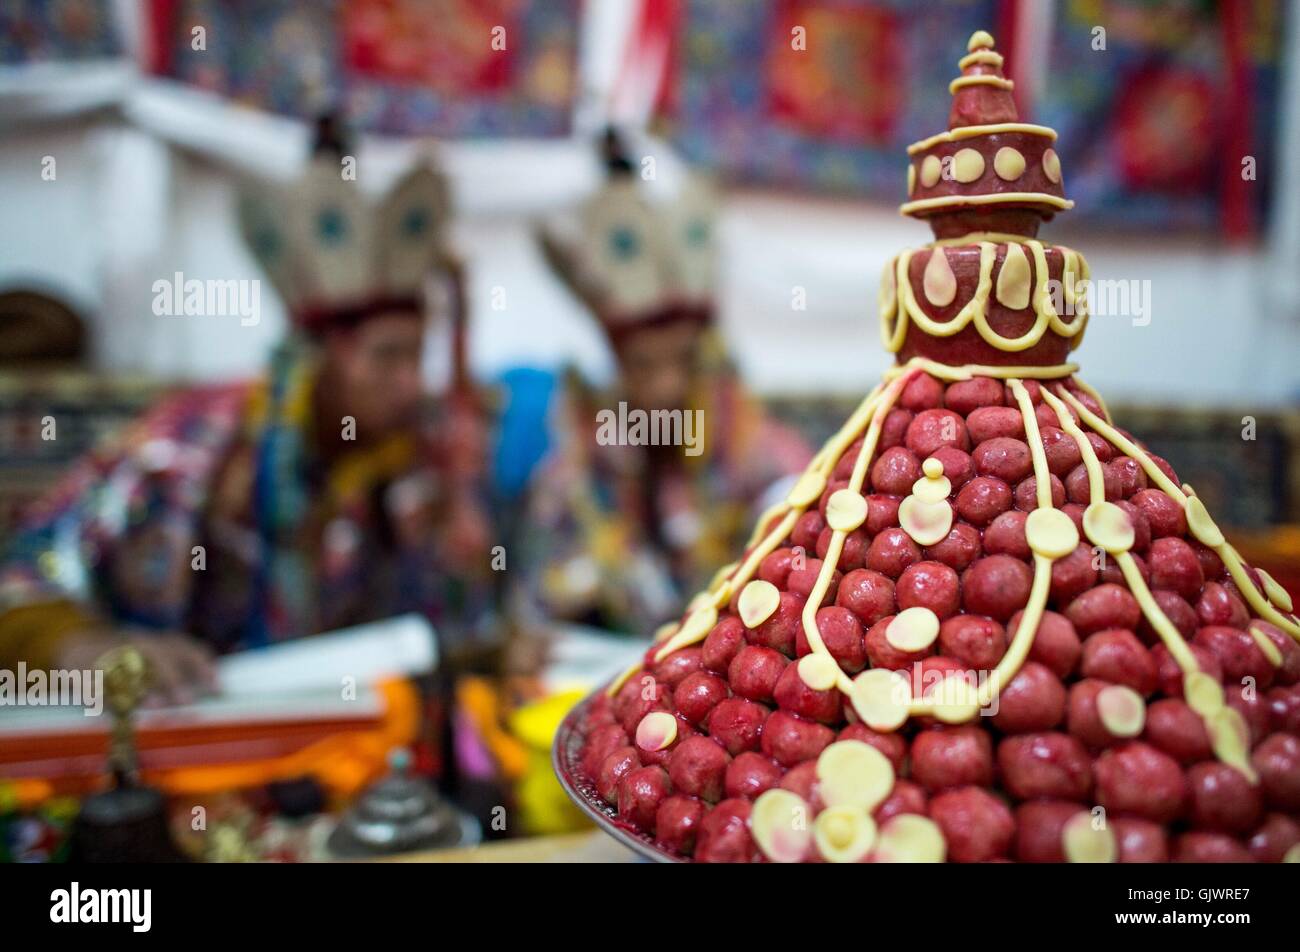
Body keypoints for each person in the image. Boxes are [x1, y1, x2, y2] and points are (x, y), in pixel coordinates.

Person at [0, 122, 494, 703]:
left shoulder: (413, 456)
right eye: (387, 356)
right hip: (192, 731)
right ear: (316, 355)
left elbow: (450, 622)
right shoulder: (190, 444)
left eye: (418, 355)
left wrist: (492, 647)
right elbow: (28, 576)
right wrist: (85, 650)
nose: (412, 383)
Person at [516, 130, 810, 637]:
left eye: (684, 362)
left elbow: (801, 593)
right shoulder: (575, 479)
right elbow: (536, 624)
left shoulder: (764, 463)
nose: (668, 389)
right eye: (645, 366)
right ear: (617, 366)